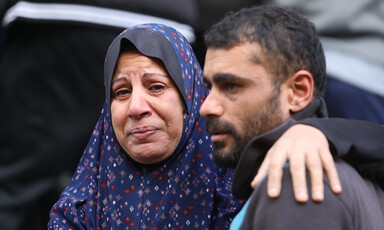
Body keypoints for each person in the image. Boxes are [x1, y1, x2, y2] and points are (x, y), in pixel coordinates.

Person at [0, 1, 199, 229]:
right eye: (121, 93)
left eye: (156, 87)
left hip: (57, 18)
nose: (136, 107)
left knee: (18, 180)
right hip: (166, 17)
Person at [200, 5, 384, 229]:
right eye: (209, 87)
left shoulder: (298, 181)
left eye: (231, 86)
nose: (206, 107)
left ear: (298, 91)